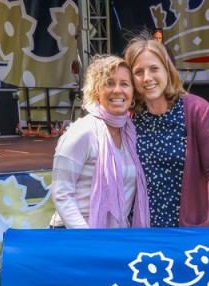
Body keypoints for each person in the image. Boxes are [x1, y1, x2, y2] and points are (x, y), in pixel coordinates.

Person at [124, 35, 209, 228]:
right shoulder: (130, 118)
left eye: (154, 69)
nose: (147, 78)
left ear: (168, 70)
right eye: (139, 72)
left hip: (186, 230)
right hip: (140, 228)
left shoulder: (198, 110)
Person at [49, 55, 149, 229]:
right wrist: (89, 240)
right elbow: (62, 194)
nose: (117, 90)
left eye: (124, 84)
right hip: (77, 235)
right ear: (96, 91)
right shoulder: (83, 132)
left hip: (112, 237)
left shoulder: (130, 132)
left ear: (133, 92)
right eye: (109, 83)